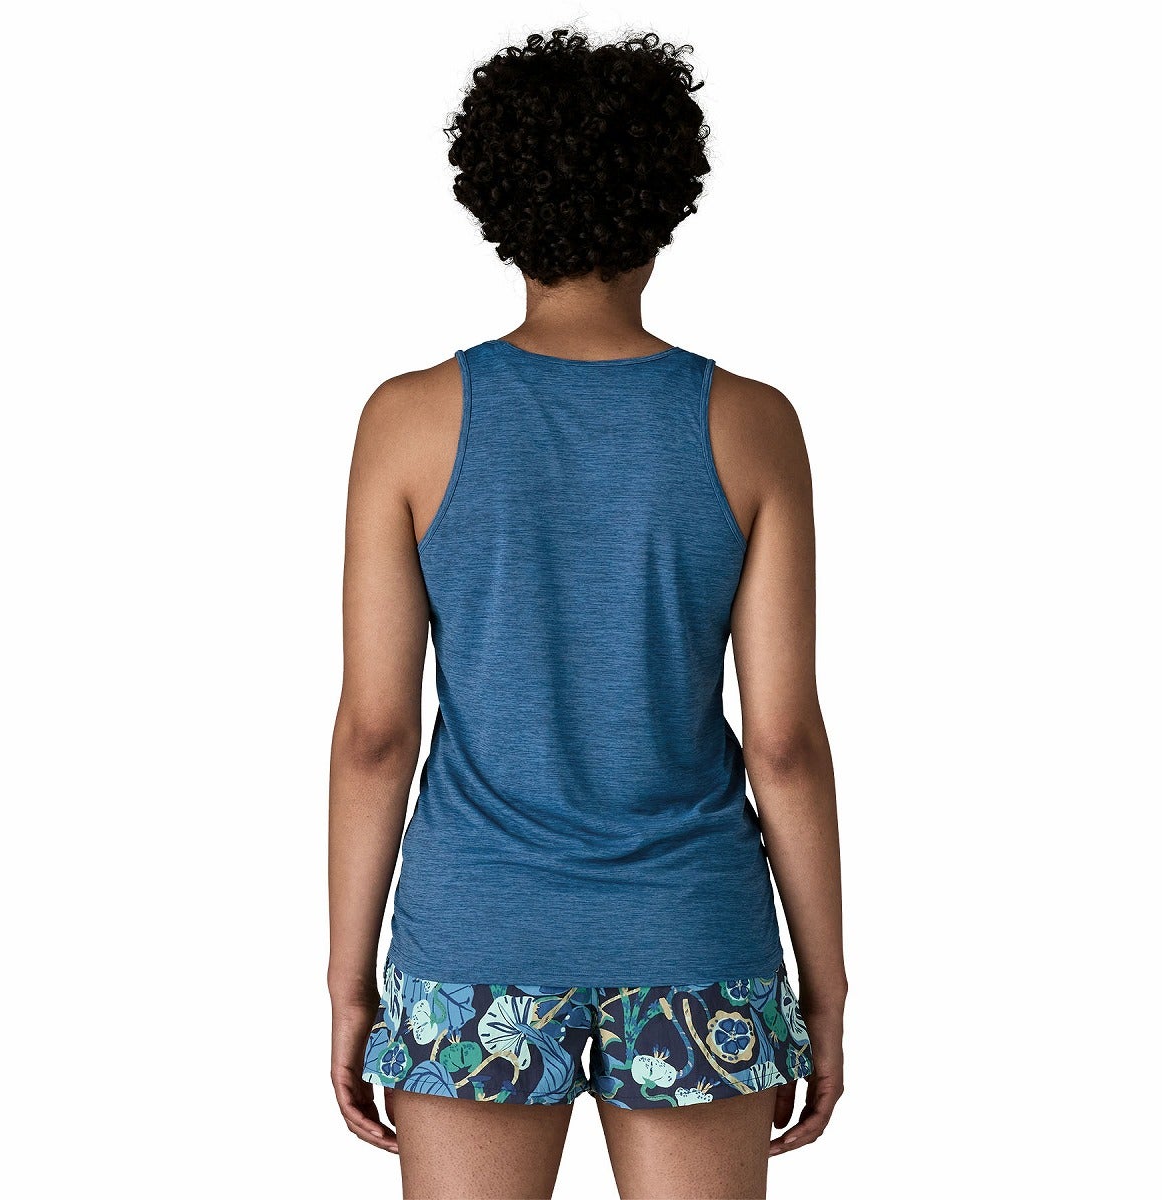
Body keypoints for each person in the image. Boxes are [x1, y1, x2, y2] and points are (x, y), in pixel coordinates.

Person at [327, 27, 847, 1199]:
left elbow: (374, 736)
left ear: (495, 199)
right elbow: (783, 743)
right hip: (693, 936)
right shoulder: (751, 425)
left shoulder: (407, 422)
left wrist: (349, 981)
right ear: (667, 204)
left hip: (475, 938)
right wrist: (825, 989)